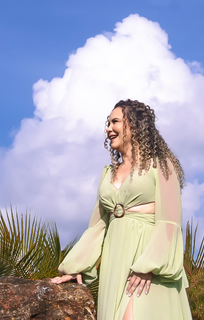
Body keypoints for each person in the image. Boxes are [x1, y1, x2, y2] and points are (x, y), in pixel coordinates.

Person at [51, 99, 192, 320]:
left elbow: (170, 221)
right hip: (114, 261)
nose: (108, 128)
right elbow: (97, 226)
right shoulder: (107, 173)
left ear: (134, 125)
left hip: (150, 264)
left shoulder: (161, 165)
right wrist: (75, 267)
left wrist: (150, 265)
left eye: (114, 121)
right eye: (107, 123)